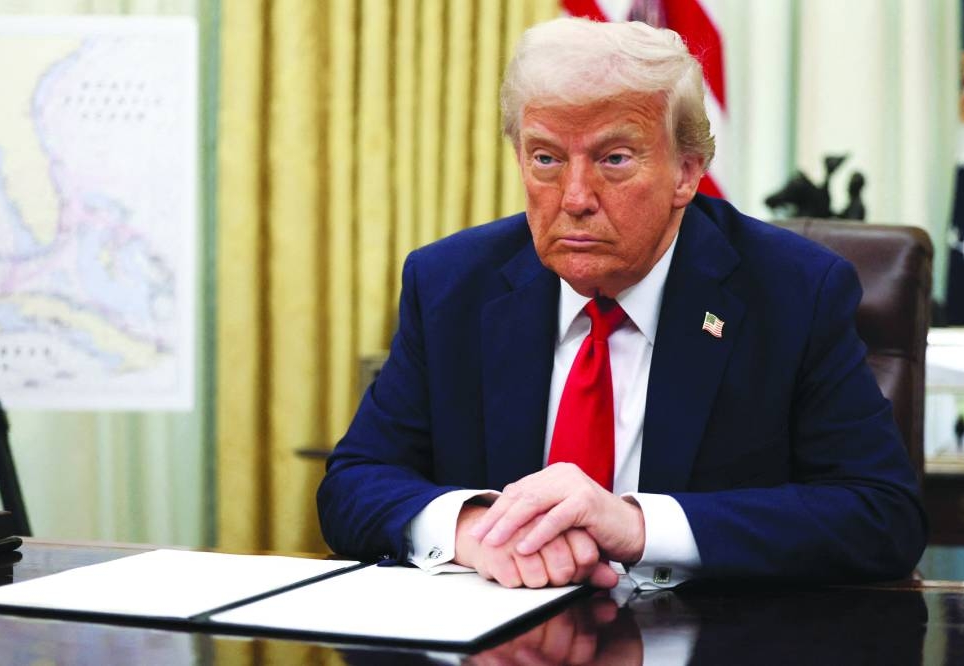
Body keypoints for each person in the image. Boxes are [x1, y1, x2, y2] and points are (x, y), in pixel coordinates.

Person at [317, 17, 926, 590]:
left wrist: (638, 526)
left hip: (708, 637)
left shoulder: (793, 291)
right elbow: (354, 483)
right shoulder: (451, 284)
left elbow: (881, 513)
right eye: (547, 158)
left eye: (613, 159)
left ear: (686, 172)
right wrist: (473, 530)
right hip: (505, 635)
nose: (575, 197)